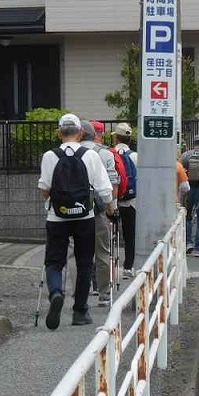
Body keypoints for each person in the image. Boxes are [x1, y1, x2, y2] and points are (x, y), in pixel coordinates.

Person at [39, 114, 114, 329]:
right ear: (80, 133)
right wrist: (110, 208)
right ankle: (80, 311)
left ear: (59, 133)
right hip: (85, 216)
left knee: (54, 261)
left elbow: (44, 188)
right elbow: (105, 190)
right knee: (84, 262)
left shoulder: (49, 156)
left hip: (57, 216)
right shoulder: (90, 155)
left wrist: (55, 200)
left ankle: (55, 293)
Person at [81, 121, 120, 307]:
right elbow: (112, 183)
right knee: (103, 251)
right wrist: (112, 207)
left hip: (71, 212)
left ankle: (80, 291)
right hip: (97, 210)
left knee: (77, 252)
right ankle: (104, 293)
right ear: (95, 134)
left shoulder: (61, 153)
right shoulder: (104, 153)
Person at [110, 123, 138, 276]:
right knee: (130, 234)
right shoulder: (134, 156)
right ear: (129, 139)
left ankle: (111, 267)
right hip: (131, 201)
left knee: (111, 234)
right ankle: (128, 267)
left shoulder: (110, 153)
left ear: (116, 137)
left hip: (112, 200)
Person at [181, 135, 199, 256]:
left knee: (187, 216)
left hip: (189, 188)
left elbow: (181, 170)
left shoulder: (186, 155)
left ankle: (188, 243)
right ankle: (198, 248)